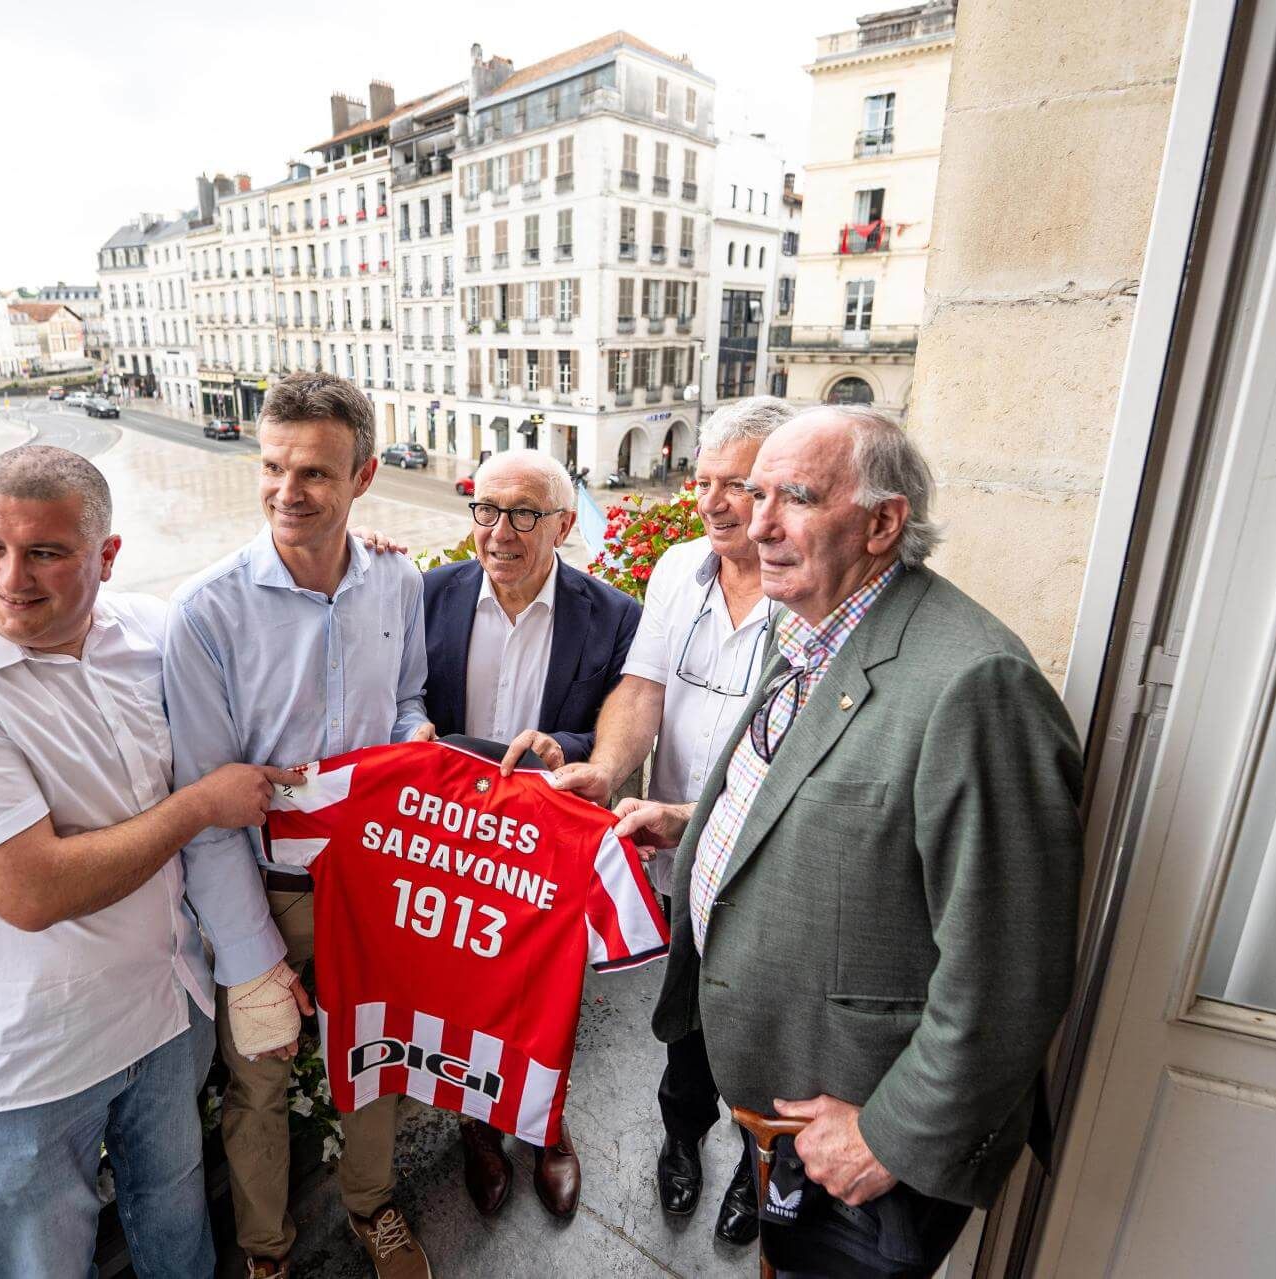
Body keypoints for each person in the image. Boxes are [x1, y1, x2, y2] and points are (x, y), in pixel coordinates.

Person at [627, 406, 1082, 1277]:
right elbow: (837, 802)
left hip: (863, 1132)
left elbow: (1012, 968)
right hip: (789, 1100)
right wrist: (697, 824)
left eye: (794, 496)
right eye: (756, 492)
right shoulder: (815, 619)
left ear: (882, 523)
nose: (757, 522)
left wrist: (891, 1134)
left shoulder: (975, 684)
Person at [0, 445, 298, 1278]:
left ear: (107, 556)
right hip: (24, 1058)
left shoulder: (152, 633)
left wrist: (357, 558)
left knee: (175, 1206)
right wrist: (199, 805)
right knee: (43, 1263)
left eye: (45, 551)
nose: (10, 576)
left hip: (164, 1012)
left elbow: (268, 642)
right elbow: (30, 887)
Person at [164, 371, 433, 1279]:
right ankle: (266, 1254)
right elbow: (202, 800)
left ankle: (371, 1206)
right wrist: (247, 956)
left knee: (379, 1060)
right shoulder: (205, 611)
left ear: (363, 477)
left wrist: (415, 737)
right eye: (273, 465)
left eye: (315, 472)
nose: (287, 491)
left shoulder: (398, 580)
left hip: (375, 881)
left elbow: (407, 700)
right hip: (268, 890)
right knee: (258, 1082)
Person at [551, 396, 795, 1241]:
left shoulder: (814, 591)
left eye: (740, 484)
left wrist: (686, 815)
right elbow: (643, 687)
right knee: (684, 1018)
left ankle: (763, 1171)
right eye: (702, 481)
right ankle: (683, 1139)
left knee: (770, 1036)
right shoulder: (680, 567)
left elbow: (808, 773)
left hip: (774, 869)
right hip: (678, 858)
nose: (714, 502)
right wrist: (607, 768)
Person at [419, 447, 641, 1219]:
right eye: (485, 508)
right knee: (466, 987)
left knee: (550, 990)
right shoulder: (424, 596)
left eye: (523, 513)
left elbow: (611, 723)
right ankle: (479, 1125)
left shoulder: (613, 614)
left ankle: (545, 1124)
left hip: (547, 844)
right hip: (452, 841)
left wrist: (569, 749)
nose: (499, 531)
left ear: (565, 523)